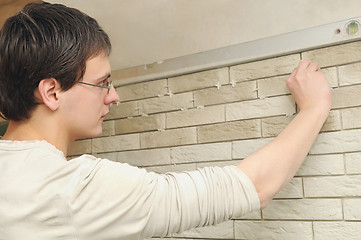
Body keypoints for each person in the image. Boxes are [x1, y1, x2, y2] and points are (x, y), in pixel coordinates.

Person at [0, 1, 331, 240]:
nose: (114, 96)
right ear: (52, 92)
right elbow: (252, 187)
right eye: (103, 83)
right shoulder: (73, 190)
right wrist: (314, 109)